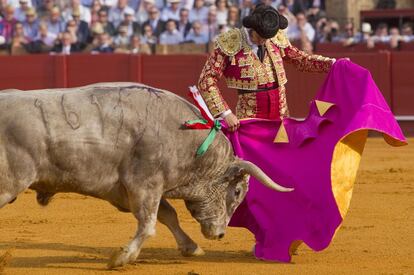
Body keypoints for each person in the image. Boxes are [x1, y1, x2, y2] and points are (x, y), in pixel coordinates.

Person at [197, 4, 334, 131]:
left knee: (282, 154)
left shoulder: (274, 37)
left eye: (268, 37)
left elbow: (302, 60)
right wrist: (225, 113)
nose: (265, 41)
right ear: (252, 28)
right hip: (250, 117)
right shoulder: (230, 42)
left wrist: (332, 64)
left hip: (281, 115)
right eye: (260, 36)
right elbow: (206, 80)